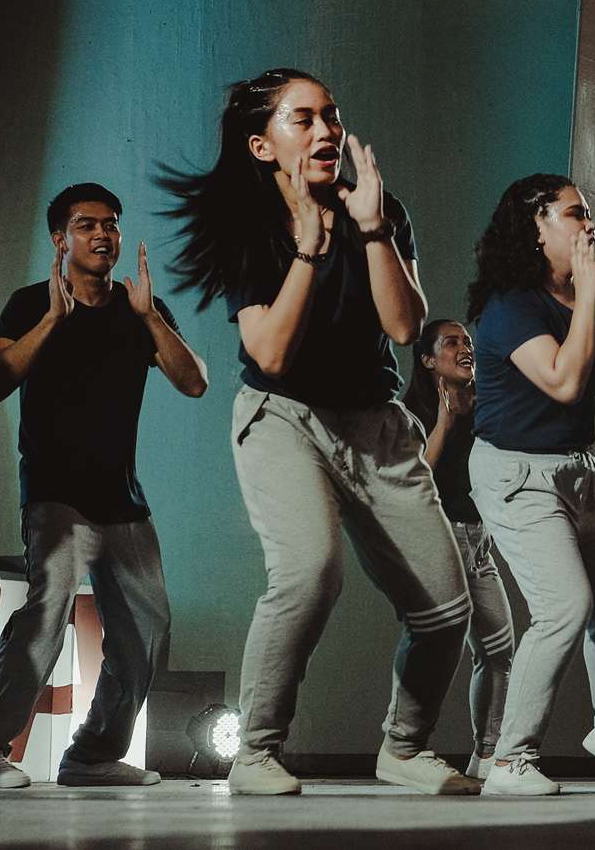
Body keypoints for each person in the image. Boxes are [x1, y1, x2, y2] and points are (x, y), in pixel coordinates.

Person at [163, 69, 476, 796]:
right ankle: (257, 752)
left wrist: (370, 228)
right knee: (308, 575)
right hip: (283, 417)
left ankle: (403, 748)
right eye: (302, 120)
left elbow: (404, 327)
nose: (326, 131)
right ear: (263, 145)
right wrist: (306, 247)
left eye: (331, 116)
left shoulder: (380, 207)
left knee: (445, 607)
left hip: (377, 422)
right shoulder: (250, 226)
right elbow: (269, 351)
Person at [0, 183, 207, 789]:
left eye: (111, 225)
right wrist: (51, 320)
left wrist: (150, 318)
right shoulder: (28, 303)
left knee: (148, 631)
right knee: (46, 614)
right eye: (86, 224)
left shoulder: (138, 306)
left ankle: (93, 754)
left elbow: (194, 381)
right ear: (59, 238)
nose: (102, 235)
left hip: (122, 498)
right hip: (54, 493)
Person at [464, 173, 595, 796]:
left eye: (589, 212)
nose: (590, 224)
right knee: (564, 607)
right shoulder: (509, 307)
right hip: (514, 470)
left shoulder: (591, 299)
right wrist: (587, 295)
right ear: (536, 228)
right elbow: (562, 381)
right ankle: (509, 759)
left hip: (577, 472)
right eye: (575, 213)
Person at [400, 318, 515, 780]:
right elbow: (415, 475)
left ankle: (487, 753)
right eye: (452, 342)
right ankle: (406, 746)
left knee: (499, 647)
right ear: (428, 359)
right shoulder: (411, 409)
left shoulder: (486, 404)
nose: (465, 348)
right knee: (429, 644)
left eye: (468, 341)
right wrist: (446, 421)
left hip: (479, 538)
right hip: (437, 535)